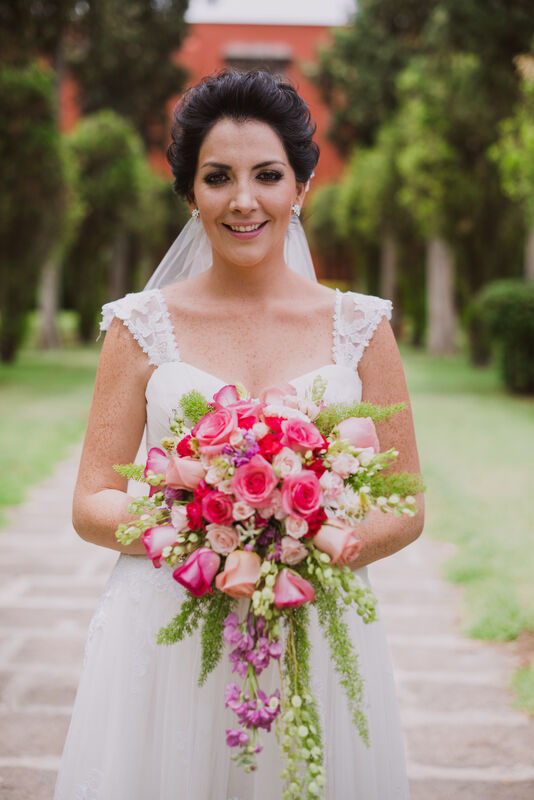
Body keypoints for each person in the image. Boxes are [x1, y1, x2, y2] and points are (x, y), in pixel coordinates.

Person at [54, 69, 423, 800]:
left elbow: (406, 506)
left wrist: (306, 538)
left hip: (314, 622)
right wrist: (201, 528)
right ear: (191, 193)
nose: (244, 200)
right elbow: (93, 498)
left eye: (267, 175)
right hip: (167, 622)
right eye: (217, 177)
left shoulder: (362, 328)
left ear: (301, 187)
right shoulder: (139, 325)